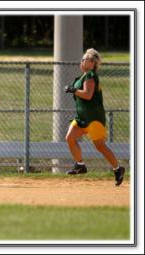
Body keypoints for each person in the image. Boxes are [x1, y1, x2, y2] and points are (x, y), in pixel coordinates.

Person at [64, 48, 125, 186]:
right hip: (82, 118)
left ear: (92, 63)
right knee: (70, 138)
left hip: (93, 118)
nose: (82, 61)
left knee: (100, 146)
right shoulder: (80, 78)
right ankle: (80, 165)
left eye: (84, 59)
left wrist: (73, 90)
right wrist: (74, 89)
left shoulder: (90, 75)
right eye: (82, 59)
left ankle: (118, 169)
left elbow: (88, 94)